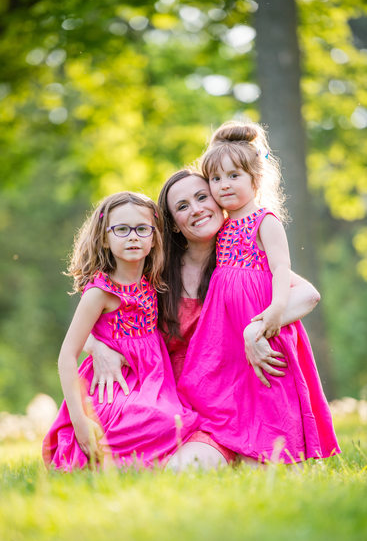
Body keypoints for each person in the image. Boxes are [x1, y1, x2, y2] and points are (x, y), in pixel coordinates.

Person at [87, 170, 324, 470]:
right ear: (172, 222)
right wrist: (98, 348)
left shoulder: (244, 257)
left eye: (202, 197)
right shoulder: (155, 269)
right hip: (172, 403)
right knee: (158, 468)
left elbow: (307, 294)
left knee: (218, 471)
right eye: (183, 206)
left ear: (217, 200)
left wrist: (257, 329)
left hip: (233, 401)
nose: (197, 208)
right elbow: (92, 316)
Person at [177, 121, 340, 465]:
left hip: (262, 316)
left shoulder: (265, 220)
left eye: (234, 176)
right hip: (224, 328)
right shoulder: (222, 225)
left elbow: (281, 268)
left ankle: (278, 449)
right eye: (216, 179)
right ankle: (229, 441)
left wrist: (274, 313)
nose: (224, 186)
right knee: (226, 383)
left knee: (268, 383)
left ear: (256, 178)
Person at [42, 192, 199, 471]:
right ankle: (119, 461)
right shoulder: (100, 293)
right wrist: (79, 420)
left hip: (153, 380)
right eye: (121, 229)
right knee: (146, 420)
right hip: (112, 386)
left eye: (142, 229)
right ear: (105, 237)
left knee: (173, 418)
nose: (133, 237)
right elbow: (67, 355)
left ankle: (143, 462)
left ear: (154, 238)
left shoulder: (154, 284)